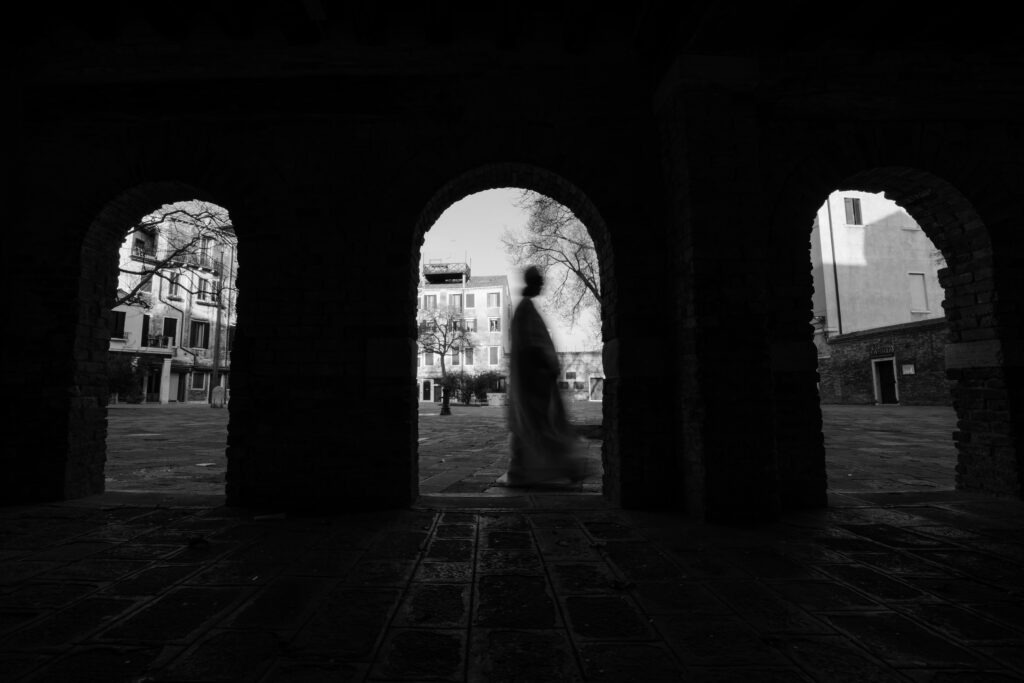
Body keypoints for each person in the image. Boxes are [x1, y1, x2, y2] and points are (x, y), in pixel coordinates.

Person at [497, 266, 587, 486]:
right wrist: (547, 368)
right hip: (534, 382)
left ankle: (530, 470)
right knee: (541, 424)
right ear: (534, 282)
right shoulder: (525, 310)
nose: (543, 286)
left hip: (535, 380)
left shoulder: (525, 309)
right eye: (541, 282)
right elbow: (532, 346)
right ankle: (565, 466)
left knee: (535, 425)